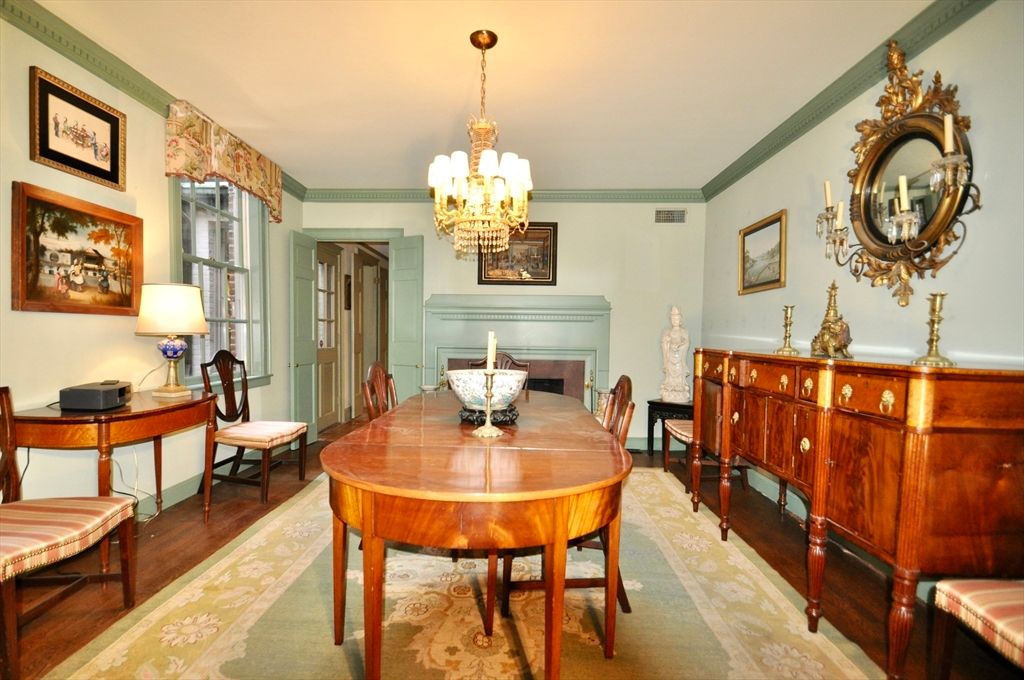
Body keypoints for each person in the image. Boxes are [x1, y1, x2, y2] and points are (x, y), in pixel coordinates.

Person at [660, 305, 691, 403]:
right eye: (673, 318)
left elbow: (686, 343)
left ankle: (679, 388)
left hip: (679, 358)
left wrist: (679, 346)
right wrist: (667, 342)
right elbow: (664, 343)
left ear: (680, 319)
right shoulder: (667, 332)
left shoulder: (684, 331)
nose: (675, 320)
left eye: (677, 318)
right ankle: (670, 389)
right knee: (670, 376)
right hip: (670, 357)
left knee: (679, 374)